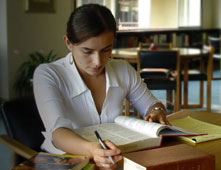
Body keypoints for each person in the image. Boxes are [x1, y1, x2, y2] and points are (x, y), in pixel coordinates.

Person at [33, 4, 170, 170]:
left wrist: (157, 112)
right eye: (87, 51)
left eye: (106, 50)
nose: (98, 61)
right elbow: (58, 134)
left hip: (113, 158)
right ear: (68, 43)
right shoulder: (48, 74)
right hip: (65, 161)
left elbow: (151, 105)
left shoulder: (123, 69)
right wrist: (92, 149)